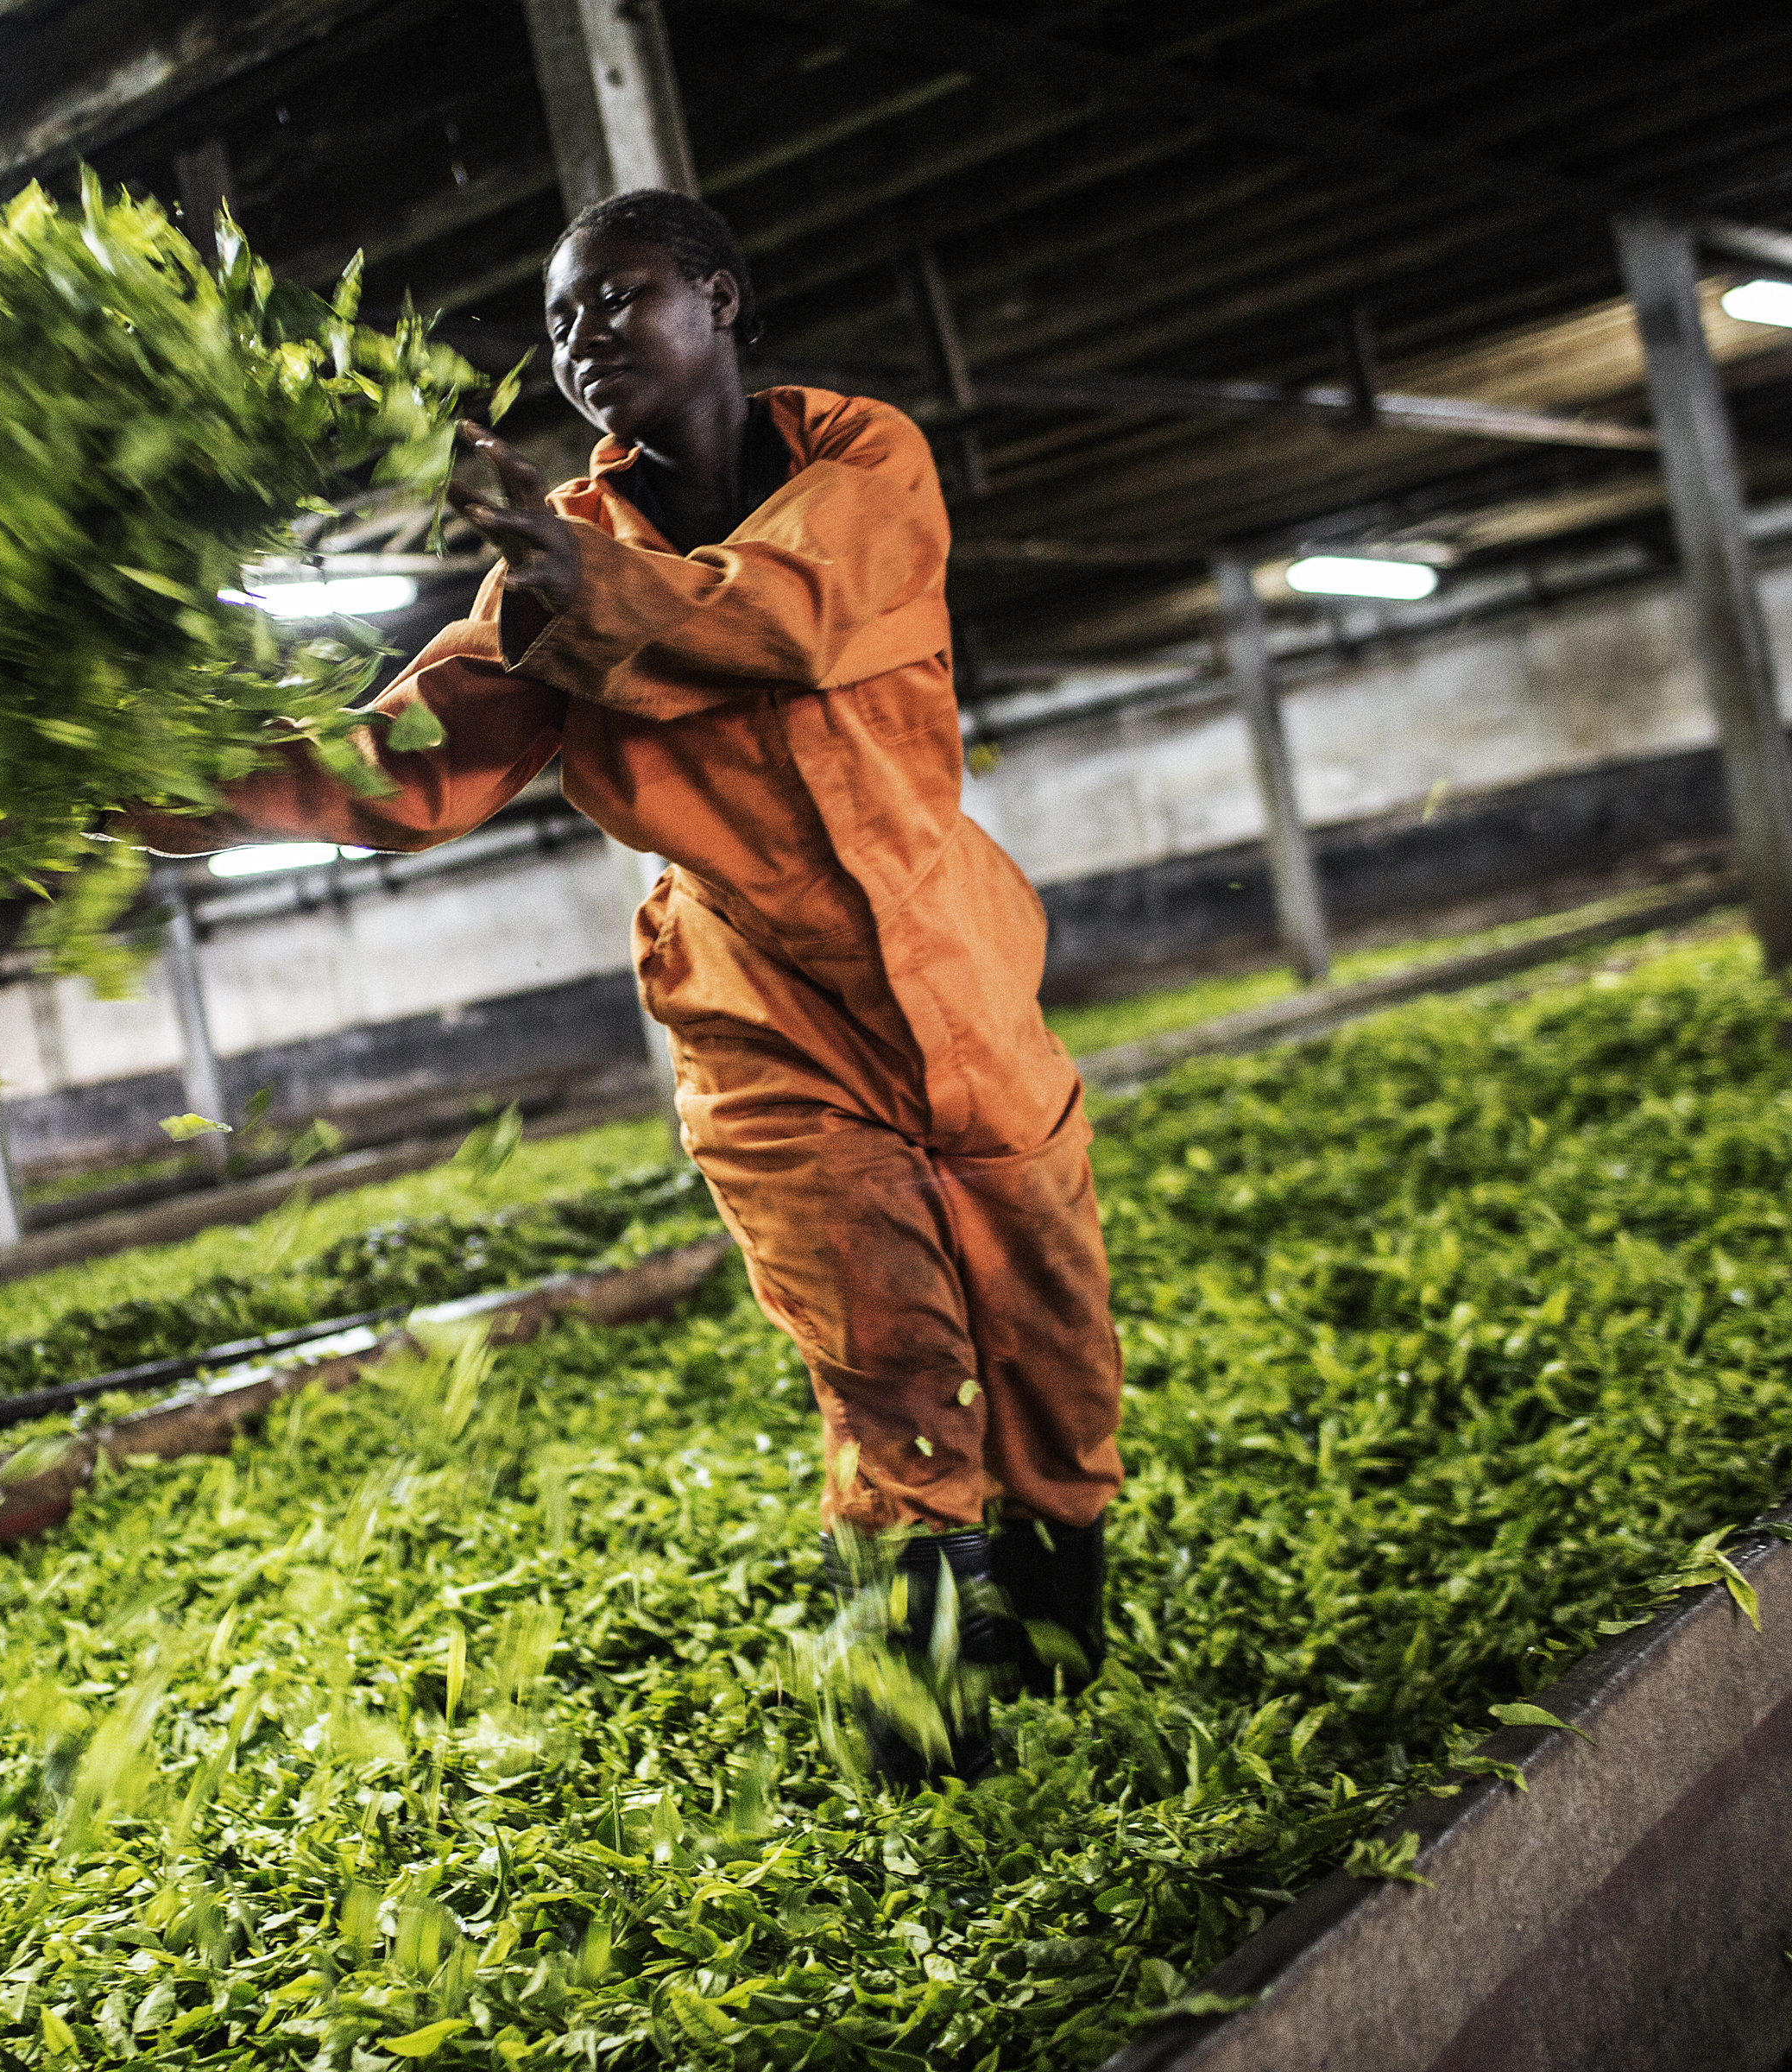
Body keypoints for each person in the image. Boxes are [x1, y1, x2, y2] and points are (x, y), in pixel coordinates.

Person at [127, 191, 1123, 1783]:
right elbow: (400, 764)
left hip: (957, 971)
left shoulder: (867, 465)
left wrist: (588, 598)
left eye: (621, 299)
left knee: (1053, 1345)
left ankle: (1064, 1623)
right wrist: (157, 780)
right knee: (896, 1377)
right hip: (767, 1021)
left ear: (723, 299)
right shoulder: (552, 572)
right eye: (562, 323)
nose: (586, 341)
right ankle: (928, 1759)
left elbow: (788, 614)